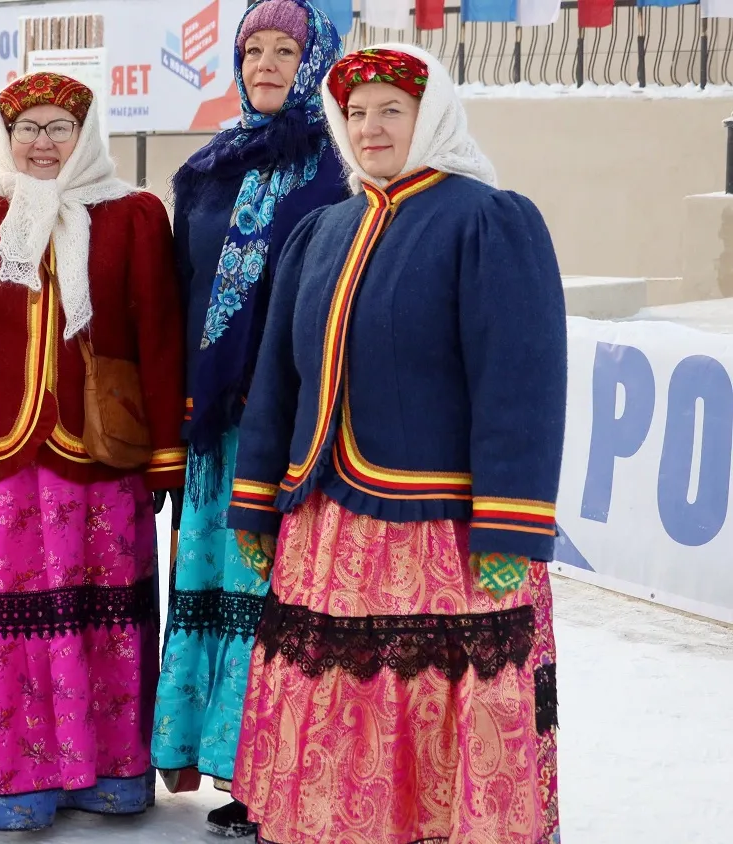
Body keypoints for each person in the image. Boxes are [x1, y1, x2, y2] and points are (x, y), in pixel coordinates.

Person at [225, 43, 565, 844]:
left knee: (430, 704)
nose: (369, 128)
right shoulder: (321, 230)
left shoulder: (486, 218)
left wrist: (510, 525)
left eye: (391, 111)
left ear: (431, 116)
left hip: (443, 541)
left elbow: (520, 381)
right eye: (355, 113)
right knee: (342, 707)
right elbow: (278, 379)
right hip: (324, 527)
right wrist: (254, 506)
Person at [0, 71, 186, 832]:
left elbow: (161, 337)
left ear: (87, 134)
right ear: (5, 137)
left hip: (101, 464)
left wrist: (166, 454)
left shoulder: (134, 215)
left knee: (98, 620)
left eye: (59, 128)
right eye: (27, 129)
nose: (42, 144)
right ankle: (9, 778)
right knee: (2, 627)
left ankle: (106, 774)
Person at [145, 0, 348, 836]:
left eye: (285, 51)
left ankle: (281, 774)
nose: (266, 64)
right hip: (214, 434)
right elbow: (181, 292)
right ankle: (235, 770)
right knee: (220, 591)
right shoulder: (208, 166)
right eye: (252, 50)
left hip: (297, 427)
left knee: (277, 598)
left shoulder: (339, 167)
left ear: (316, 62)